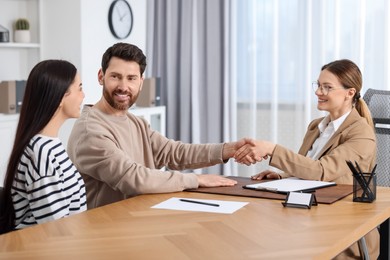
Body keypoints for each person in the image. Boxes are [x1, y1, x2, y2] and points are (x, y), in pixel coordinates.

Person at [67, 42, 245, 209]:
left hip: (138, 217)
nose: (123, 86)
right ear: (101, 77)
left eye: (131, 78)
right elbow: (133, 178)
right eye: (115, 76)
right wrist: (195, 179)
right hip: (105, 230)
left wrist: (226, 150)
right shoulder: (90, 130)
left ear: (141, 82)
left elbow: (173, 152)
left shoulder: (136, 123)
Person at [234, 59, 378, 259]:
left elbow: (321, 171)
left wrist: (272, 149)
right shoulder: (316, 126)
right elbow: (306, 166)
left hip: (342, 230)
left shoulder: (361, 133)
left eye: (327, 87)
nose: (318, 92)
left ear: (350, 93)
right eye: (318, 85)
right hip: (310, 214)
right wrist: (282, 176)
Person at [0, 60, 87, 234]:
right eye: (79, 88)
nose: (83, 95)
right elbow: (56, 231)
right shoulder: (40, 153)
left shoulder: (50, 145)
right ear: (61, 96)